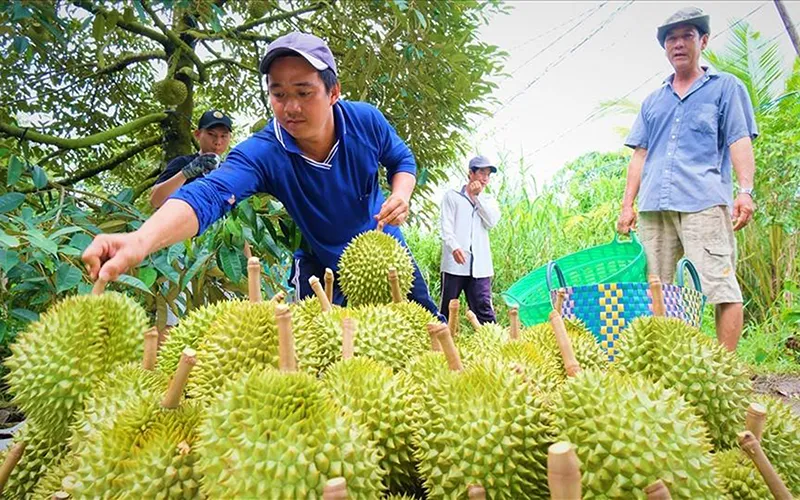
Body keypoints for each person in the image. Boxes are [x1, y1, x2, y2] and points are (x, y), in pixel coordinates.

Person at [83, 32, 443, 318]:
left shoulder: (365, 121)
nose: (291, 107)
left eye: (304, 92)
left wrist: (401, 194)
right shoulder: (264, 152)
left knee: (426, 329)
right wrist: (141, 240)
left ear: (333, 92)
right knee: (326, 356)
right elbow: (209, 195)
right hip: (320, 261)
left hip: (385, 247)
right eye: (278, 93)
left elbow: (401, 160)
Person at [616, 7, 757, 352]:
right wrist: (626, 205)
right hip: (654, 207)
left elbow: (739, 139)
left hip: (703, 202)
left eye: (686, 36)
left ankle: (725, 371)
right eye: (671, 38)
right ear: (665, 48)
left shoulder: (726, 88)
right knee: (659, 290)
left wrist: (745, 191)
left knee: (720, 287)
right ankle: (670, 361)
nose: (678, 44)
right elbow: (640, 155)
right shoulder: (653, 102)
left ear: (703, 41)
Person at [439, 155, 501, 324]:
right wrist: (454, 247)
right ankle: (440, 346)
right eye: (482, 172)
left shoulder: (489, 201)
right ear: (470, 173)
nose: (485, 178)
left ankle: (495, 347)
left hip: (481, 267)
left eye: (488, 174)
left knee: (485, 310)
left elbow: (491, 222)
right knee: (446, 309)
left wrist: (477, 197)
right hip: (455, 265)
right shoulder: (452, 197)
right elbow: (446, 228)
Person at [150, 110, 233, 208]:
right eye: (211, 134)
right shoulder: (183, 162)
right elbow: (155, 201)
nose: (218, 141)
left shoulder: (228, 171)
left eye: (223, 136)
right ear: (197, 134)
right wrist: (186, 173)